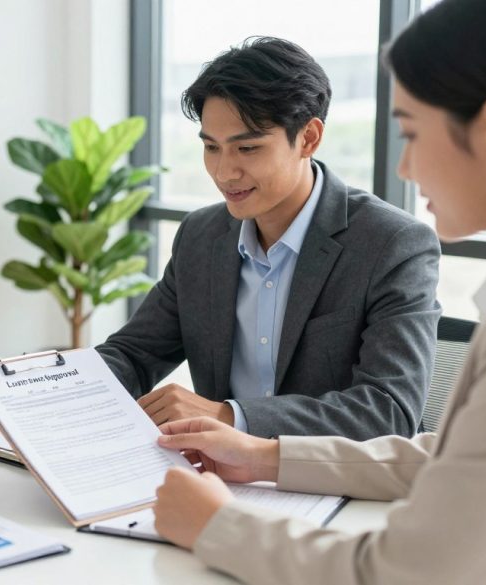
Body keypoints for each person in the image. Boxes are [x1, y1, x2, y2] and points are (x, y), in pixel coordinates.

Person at [152, 0, 486, 582]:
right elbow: (449, 457)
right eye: (211, 146)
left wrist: (217, 528)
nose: (404, 168)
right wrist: (262, 454)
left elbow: (409, 572)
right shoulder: (203, 234)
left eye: (411, 132)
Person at [96, 37, 441, 440]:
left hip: (334, 487)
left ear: (309, 138)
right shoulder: (200, 236)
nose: (224, 173)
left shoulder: (392, 245)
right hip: (217, 478)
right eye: (211, 147)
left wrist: (230, 417)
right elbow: (132, 355)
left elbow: (387, 411)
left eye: (247, 148)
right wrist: (46, 388)